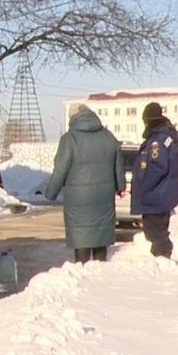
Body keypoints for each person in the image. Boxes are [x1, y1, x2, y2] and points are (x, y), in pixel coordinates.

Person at [45, 103, 126, 264]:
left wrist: (51, 192)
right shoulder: (108, 136)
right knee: (100, 234)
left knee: (82, 236)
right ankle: (100, 267)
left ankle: (82, 267)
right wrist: (120, 186)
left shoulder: (69, 139)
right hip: (103, 195)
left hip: (79, 197)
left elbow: (61, 168)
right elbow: (118, 164)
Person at [129, 102, 178, 259]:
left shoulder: (157, 140)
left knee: (156, 232)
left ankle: (162, 261)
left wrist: (144, 187)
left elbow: (157, 166)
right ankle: (161, 260)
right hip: (161, 194)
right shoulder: (164, 137)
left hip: (156, 195)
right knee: (155, 232)